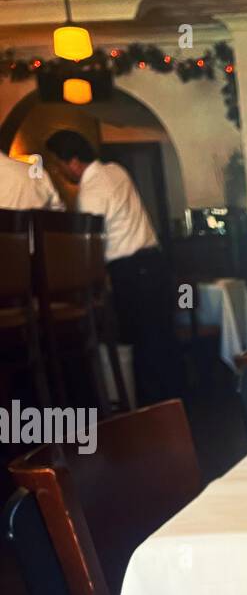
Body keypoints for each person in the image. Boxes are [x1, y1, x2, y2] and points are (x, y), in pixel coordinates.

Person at [45, 129, 177, 406]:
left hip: (129, 272)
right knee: (162, 343)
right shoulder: (117, 171)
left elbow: (88, 251)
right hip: (155, 263)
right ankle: (175, 410)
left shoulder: (90, 193)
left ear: (73, 162)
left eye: (58, 166)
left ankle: (152, 417)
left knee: (142, 348)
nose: (59, 173)